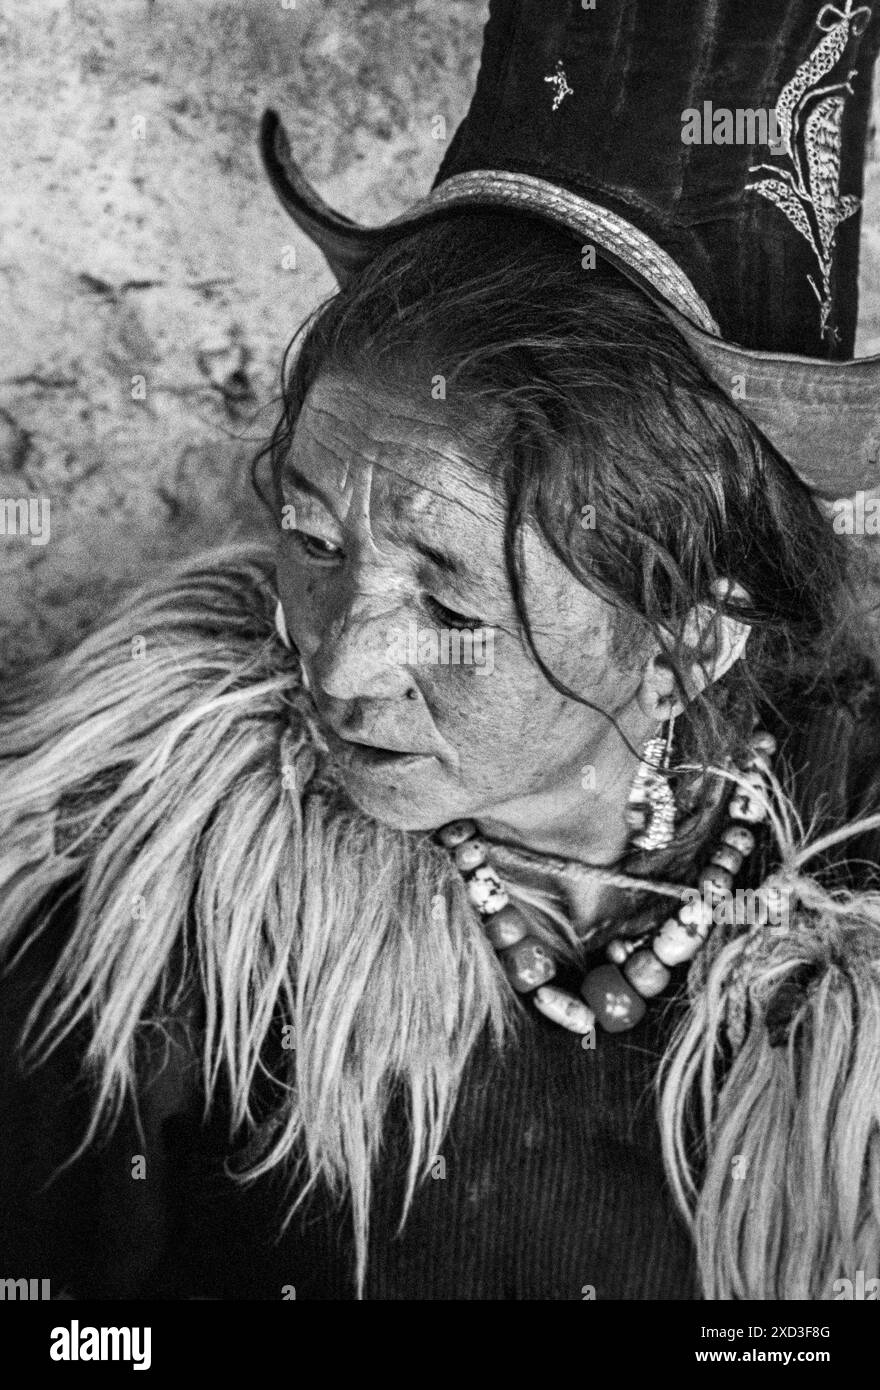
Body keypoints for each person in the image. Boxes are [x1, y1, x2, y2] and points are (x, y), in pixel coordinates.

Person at [2, 0, 880, 1301]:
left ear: (698, 628)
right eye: (310, 533)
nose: (341, 664)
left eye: (457, 604)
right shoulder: (154, 891)